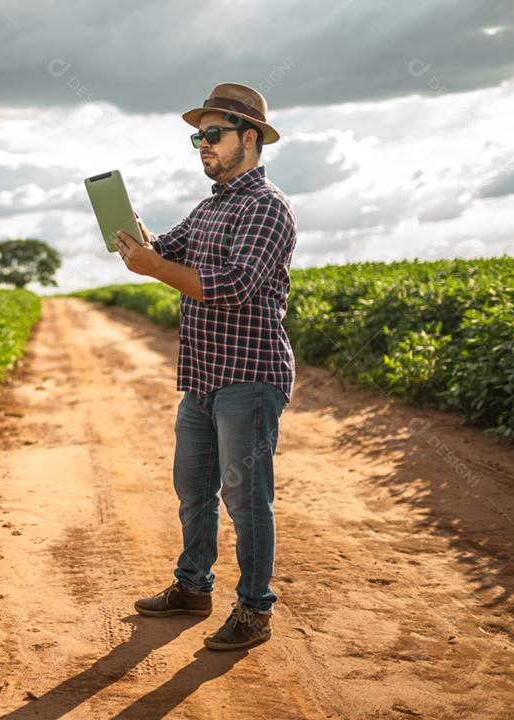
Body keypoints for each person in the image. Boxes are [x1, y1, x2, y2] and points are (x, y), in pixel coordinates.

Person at [115, 82, 297, 651]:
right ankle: (193, 587)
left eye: (212, 135)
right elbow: (166, 251)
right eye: (198, 137)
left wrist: (152, 266)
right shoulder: (209, 206)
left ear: (250, 138)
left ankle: (254, 610)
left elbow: (234, 286)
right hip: (202, 377)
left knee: (245, 498)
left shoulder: (267, 208)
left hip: (250, 376)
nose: (202, 145)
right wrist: (135, 237)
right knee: (193, 490)